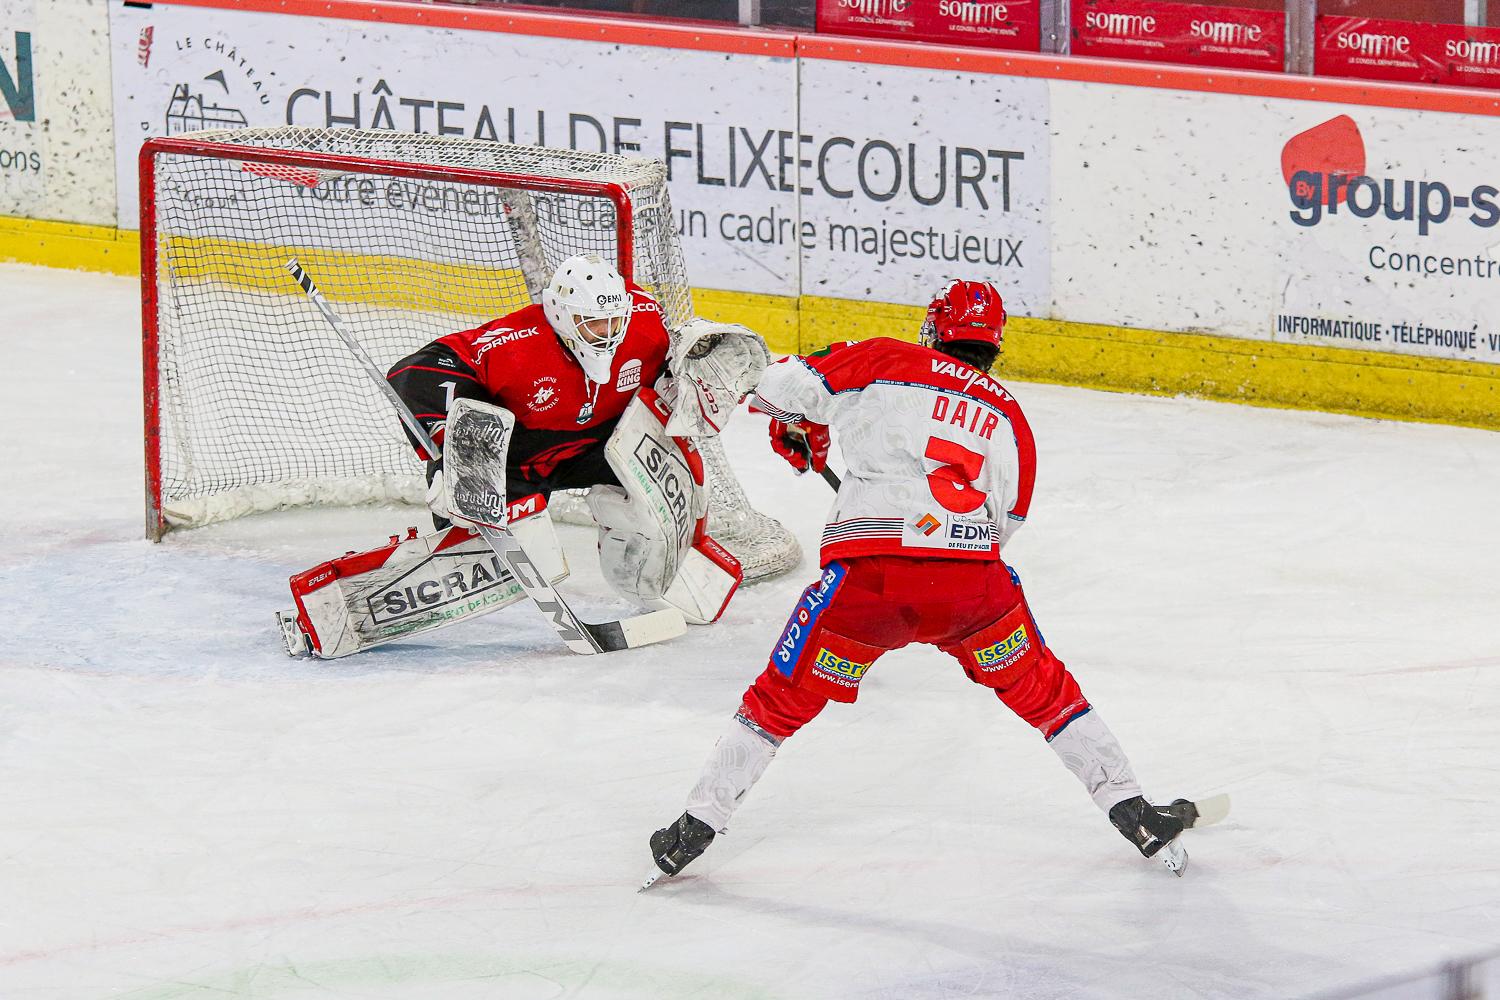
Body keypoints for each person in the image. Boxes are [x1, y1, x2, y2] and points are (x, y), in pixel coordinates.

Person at [646, 279, 1196, 883]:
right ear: (994, 345)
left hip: (868, 588)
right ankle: (1134, 811)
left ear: (933, 328)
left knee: (780, 700)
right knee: (1045, 691)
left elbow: (777, 386)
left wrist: (800, 424)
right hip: (973, 591)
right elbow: (1008, 520)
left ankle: (695, 827)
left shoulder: (882, 357)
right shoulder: (1010, 413)